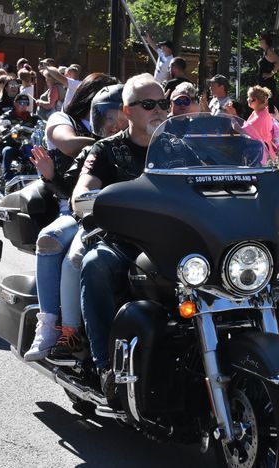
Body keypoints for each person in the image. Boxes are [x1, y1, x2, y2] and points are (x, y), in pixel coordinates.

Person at [74, 73, 168, 400]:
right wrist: (88, 201)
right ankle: (105, 367)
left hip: (176, 243)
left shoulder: (180, 149)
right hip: (125, 243)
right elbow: (82, 192)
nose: (159, 110)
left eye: (163, 103)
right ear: (127, 111)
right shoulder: (106, 150)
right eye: (148, 104)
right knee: (95, 264)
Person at [23, 81, 123, 362]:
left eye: (120, 117)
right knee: (62, 249)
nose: (114, 125)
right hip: (85, 216)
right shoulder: (90, 145)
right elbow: (71, 187)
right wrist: (50, 175)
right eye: (108, 117)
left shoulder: (144, 143)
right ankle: (59, 330)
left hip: (131, 218)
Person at [0, 93, 42, 182]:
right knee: (7, 151)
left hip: (29, 145)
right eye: (21, 103)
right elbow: (1, 125)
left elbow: (42, 125)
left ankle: (42, 175)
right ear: (15, 103)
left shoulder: (33, 117)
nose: (24, 105)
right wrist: (4, 129)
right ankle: (7, 179)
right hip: (13, 144)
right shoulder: (7, 116)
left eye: (26, 103)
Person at [241, 85, 276, 165]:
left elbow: (243, 130)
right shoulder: (258, 112)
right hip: (258, 153)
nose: (247, 99)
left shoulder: (262, 115)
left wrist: (233, 123)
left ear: (255, 100)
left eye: (249, 98)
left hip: (260, 156)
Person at [257, 32, 279, 111]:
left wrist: (271, 74)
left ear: (266, 41)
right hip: (264, 84)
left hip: (268, 84)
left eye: (261, 39)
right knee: (263, 106)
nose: (259, 40)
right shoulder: (265, 52)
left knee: (268, 107)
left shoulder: (269, 51)